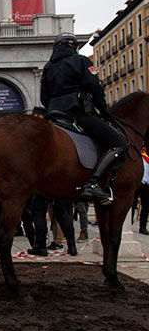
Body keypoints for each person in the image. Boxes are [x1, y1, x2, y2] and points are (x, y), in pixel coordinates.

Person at [40, 32, 128, 204]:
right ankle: (93, 183)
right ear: (74, 46)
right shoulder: (81, 61)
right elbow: (94, 86)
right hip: (77, 111)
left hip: (54, 114)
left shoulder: (48, 67)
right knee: (119, 144)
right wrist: (102, 109)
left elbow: (44, 97)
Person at [137, 148, 149, 235]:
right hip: (137, 183)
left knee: (145, 207)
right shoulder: (140, 155)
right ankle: (128, 224)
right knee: (132, 205)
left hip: (147, 185)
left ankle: (143, 227)